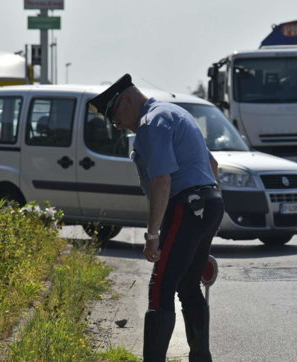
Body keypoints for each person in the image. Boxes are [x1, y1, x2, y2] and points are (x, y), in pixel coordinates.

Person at [89, 74, 224, 362]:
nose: (117, 124)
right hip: (209, 203)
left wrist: (152, 237)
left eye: (115, 116)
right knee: (188, 286)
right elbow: (213, 165)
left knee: (160, 287)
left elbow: (161, 180)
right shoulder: (175, 113)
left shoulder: (152, 125)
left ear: (127, 100)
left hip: (186, 206)